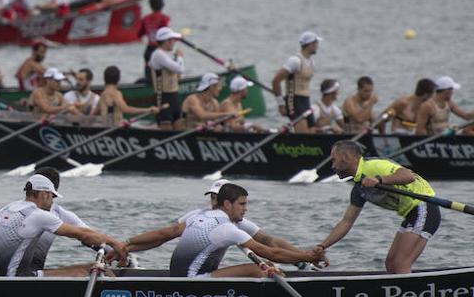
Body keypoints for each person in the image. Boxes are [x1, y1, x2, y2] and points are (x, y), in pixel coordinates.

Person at [130, 183, 324, 278]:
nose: (245, 209)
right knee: (262, 268)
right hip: (192, 283)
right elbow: (270, 252)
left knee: (265, 263)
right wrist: (307, 257)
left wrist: (125, 245)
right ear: (227, 204)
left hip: (180, 277)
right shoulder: (226, 228)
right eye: (242, 204)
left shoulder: (199, 217)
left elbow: (165, 233)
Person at [0, 173, 126, 276]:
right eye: (52, 196)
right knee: (90, 270)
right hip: (21, 281)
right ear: (43, 194)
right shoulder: (39, 215)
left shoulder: (8, 209)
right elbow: (84, 235)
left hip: (3, 278)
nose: (52, 201)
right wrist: (115, 243)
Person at [317, 141, 442, 274]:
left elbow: (408, 176)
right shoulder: (359, 188)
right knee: (391, 263)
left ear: (347, 157)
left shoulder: (374, 165)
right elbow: (346, 222)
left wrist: (379, 179)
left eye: (334, 160)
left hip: (423, 206)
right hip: (411, 215)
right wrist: (322, 246)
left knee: (401, 263)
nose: (332, 166)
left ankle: (407, 292)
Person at [271, 31, 321, 132]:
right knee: (303, 135)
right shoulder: (295, 61)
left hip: (306, 101)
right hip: (294, 100)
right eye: (316, 43)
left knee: (313, 131)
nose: (317, 46)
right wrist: (281, 104)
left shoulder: (312, 62)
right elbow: (276, 81)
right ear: (309, 44)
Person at [147, 26, 185, 130]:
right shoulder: (158, 54)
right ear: (167, 41)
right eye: (173, 40)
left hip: (175, 98)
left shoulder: (165, 55)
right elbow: (180, 69)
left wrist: (177, 60)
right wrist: (180, 57)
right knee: (166, 135)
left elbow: (178, 74)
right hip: (163, 99)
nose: (174, 42)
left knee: (180, 134)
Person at [136, 0, 170, 80]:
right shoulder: (164, 19)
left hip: (148, 51)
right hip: (159, 51)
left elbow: (139, 34)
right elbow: (166, 34)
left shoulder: (145, 19)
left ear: (150, 5)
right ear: (162, 5)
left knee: (149, 78)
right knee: (160, 77)